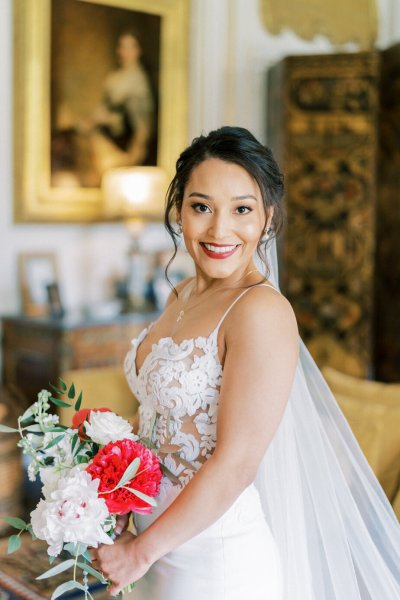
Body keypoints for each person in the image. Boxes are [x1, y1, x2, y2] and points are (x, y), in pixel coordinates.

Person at [90, 127, 400, 599]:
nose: (219, 231)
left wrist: (140, 552)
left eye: (241, 209)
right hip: (153, 545)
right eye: (201, 207)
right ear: (178, 212)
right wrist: (110, 494)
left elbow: (235, 464)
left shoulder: (261, 313)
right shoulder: (182, 293)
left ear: (267, 218)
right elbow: (159, 417)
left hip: (213, 564)